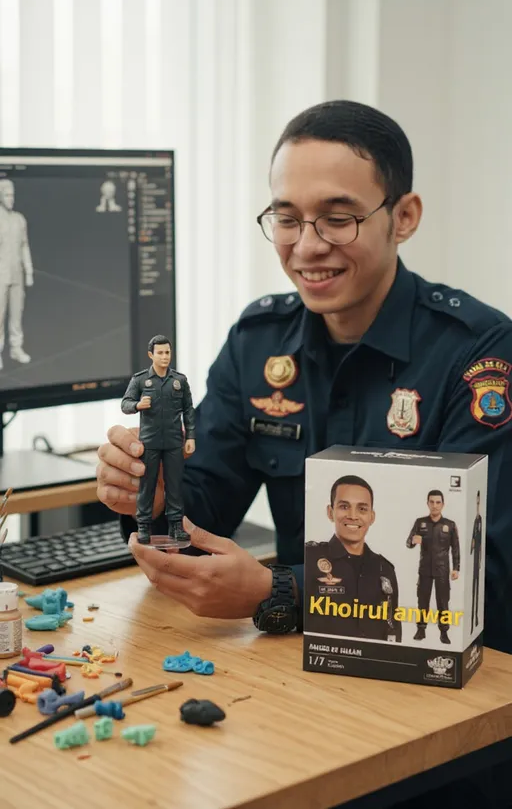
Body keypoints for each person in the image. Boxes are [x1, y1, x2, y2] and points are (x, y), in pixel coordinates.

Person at [96, 99, 512, 657]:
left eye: (338, 219)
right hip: (299, 663)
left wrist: (281, 591)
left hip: (439, 671)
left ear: (404, 217)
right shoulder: (258, 342)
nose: (308, 247)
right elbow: (202, 519)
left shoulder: (480, 353)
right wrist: (152, 496)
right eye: (287, 219)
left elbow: (483, 577)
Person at [305, 475, 401, 642]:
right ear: (330, 512)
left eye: (362, 509)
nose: (353, 516)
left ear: (372, 517)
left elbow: (393, 628)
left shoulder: (384, 569)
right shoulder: (310, 558)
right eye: (344, 506)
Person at [120, 335, 195, 546]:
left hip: (173, 442)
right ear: (151, 355)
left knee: (174, 486)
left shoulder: (179, 381)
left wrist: (191, 436)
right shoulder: (140, 380)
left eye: (167, 352)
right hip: (150, 442)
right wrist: (137, 405)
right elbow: (125, 403)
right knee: (147, 485)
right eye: (160, 353)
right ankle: (144, 526)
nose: (164, 357)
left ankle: (176, 525)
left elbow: (189, 410)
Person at [406, 490, 460, 645]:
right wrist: (413, 541)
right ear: (427, 503)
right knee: (422, 600)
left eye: (438, 502)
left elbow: (455, 548)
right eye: (432, 502)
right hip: (425, 569)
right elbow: (408, 543)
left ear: (443, 504)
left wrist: (456, 568)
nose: (435, 505)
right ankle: (421, 629)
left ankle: (444, 632)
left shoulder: (449, 525)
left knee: (443, 602)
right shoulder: (420, 522)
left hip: (442, 569)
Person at [0, 179, 33, 369]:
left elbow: (24, 246)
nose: (10, 199)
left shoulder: (19, 219)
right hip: (1, 274)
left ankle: (16, 347)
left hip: (17, 274)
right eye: (6, 195)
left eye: (12, 195)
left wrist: (28, 271)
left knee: (16, 313)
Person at [471, 489, 483, 634]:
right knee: (473, 588)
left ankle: (476, 618)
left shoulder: (480, 519)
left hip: (477, 558)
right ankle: (473, 619)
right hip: (473, 558)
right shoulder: (475, 520)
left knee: (477, 587)